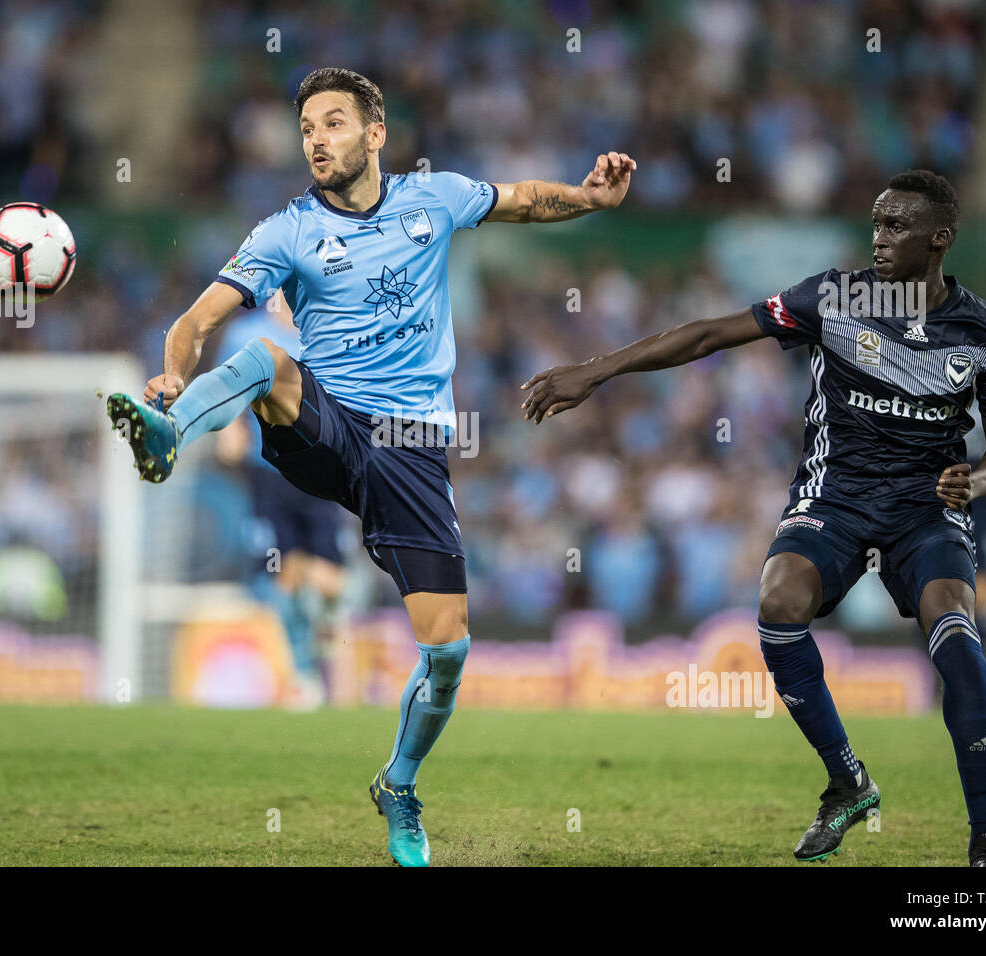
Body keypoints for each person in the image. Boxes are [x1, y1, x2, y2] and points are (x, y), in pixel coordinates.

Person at [107, 67, 635, 866]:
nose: (317, 140)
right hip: (327, 422)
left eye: (334, 124)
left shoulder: (435, 198)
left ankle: (398, 783)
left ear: (375, 134)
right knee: (263, 356)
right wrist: (174, 374)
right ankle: (168, 430)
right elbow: (197, 318)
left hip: (408, 444)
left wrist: (588, 198)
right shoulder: (283, 232)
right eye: (308, 128)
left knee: (449, 651)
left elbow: (524, 196)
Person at [521, 170, 986, 867]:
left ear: (940, 238)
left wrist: (980, 479)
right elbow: (708, 337)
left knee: (959, 643)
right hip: (835, 495)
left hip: (924, 506)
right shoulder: (833, 297)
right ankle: (847, 780)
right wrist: (597, 371)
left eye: (897, 226)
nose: (879, 238)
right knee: (780, 598)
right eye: (876, 223)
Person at [214, 289, 348, 710]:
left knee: (330, 581)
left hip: (323, 469)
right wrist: (230, 428)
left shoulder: (329, 332)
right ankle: (303, 675)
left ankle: (322, 619)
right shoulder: (247, 334)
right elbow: (227, 387)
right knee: (284, 573)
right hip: (269, 471)